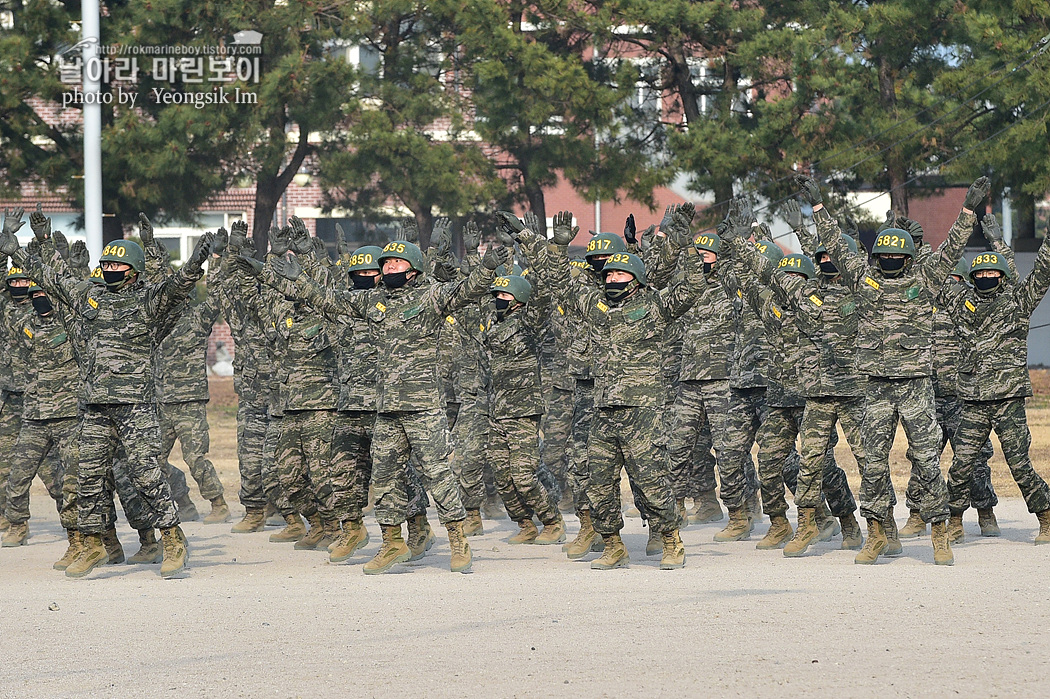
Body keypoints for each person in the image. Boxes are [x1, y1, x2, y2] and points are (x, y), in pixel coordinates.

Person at [268, 237, 508, 574]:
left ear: (414, 269)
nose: (389, 268)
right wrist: (301, 279)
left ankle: (457, 539)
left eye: (397, 263)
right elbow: (330, 301)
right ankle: (392, 542)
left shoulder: (430, 297)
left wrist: (487, 266)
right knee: (384, 479)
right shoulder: (374, 301)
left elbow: (466, 290)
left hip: (422, 406)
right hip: (386, 410)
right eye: (386, 264)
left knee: (437, 475)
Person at [0, 208, 213, 578]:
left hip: (135, 406)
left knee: (146, 472)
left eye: (118, 266)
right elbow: (53, 277)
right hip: (95, 405)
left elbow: (176, 288)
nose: (111, 271)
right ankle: (94, 543)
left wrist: (194, 264)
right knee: (87, 476)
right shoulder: (89, 297)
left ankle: (173, 538)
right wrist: (15, 251)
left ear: (133, 270)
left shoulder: (147, 301)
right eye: (107, 266)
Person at [800, 174, 990, 565]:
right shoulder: (864, 281)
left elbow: (953, 247)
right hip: (876, 387)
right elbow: (837, 246)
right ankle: (877, 532)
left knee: (925, 461)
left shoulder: (924, 278)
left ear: (907, 257)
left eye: (896, 257)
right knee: (871, 461)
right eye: (883, 256)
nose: (889, 262)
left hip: (916, 386)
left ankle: (939, 532)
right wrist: (818, 207)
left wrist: (968, 209)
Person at [941, 215, 1050, 545]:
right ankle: (955, 520)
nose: (987, 277)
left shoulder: (1018, 303)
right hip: (972, 402)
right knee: (960, 466)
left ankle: (1045, 516)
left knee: (1019, 463)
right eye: (981, 273)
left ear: (1001, 276)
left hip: (1007, 401)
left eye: (993, 272)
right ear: (973, 277)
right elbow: (938, 276)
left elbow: (1041, 274)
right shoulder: (962, 303)